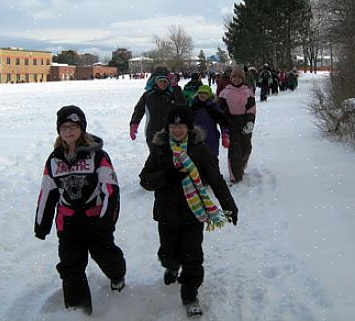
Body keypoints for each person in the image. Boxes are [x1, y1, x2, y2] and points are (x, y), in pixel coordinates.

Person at [139, 105, 238, 317]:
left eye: (181, 125)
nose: (177, 129)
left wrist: (229, 205)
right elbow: (145, 180)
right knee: (168, 253)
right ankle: (171, 266)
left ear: (188, 127)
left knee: (193, 257)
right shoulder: (160, 149)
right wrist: (166, 176)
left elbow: (216, 179)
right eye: (173, 125)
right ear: (167, 127)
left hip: (194, 214)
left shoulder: (199, 149)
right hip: (166, 215)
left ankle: (190, 294)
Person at [34, 106, 126, 315]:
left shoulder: (98, 155)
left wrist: (106, 222)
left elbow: (111, 190)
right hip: (68, 223)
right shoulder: (54, 160)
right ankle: (78, 312)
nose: (68, 131)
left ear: (82, 128)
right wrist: (42, 224)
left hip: (95, 220)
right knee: (70, 267)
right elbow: (47, 192)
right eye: (64, 127)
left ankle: (117, 274)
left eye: (73, 126)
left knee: (106, 256)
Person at [218, 66, 256, 183]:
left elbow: (251, 108)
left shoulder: (248, 91)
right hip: (231, 124)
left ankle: (240, 166)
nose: (237, 79)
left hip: (244, 122)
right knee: (235, 151)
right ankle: (235, 175)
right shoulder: (225, 92)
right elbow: (221, 109)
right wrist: (226, 119)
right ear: (231, 78)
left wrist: (250, 122)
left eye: (239, 77)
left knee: (246, 149)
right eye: (234, 77)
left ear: (243, 79)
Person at [130, 74, 185, 151]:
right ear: (156, 82)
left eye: (165, 82)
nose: (163, 83)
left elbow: (182, 103)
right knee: (154, 156)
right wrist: (134, 124)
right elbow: (139, 110)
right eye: (161, 81)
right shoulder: (148, 95)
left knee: (168, 156)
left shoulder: (170, 95)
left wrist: (175, 87)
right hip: (152, 131)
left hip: (169, 132)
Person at [190, 84, 231, 158]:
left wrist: (225, 134)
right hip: (196, 138)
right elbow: (187, 120)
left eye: (205, 93)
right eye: (200, 93)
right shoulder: (194, 107)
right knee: (197, 160)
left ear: (209, 94)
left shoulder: (213, 107)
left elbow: (223, 122)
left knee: (211, 160)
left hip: (211, 138)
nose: (202, 95)